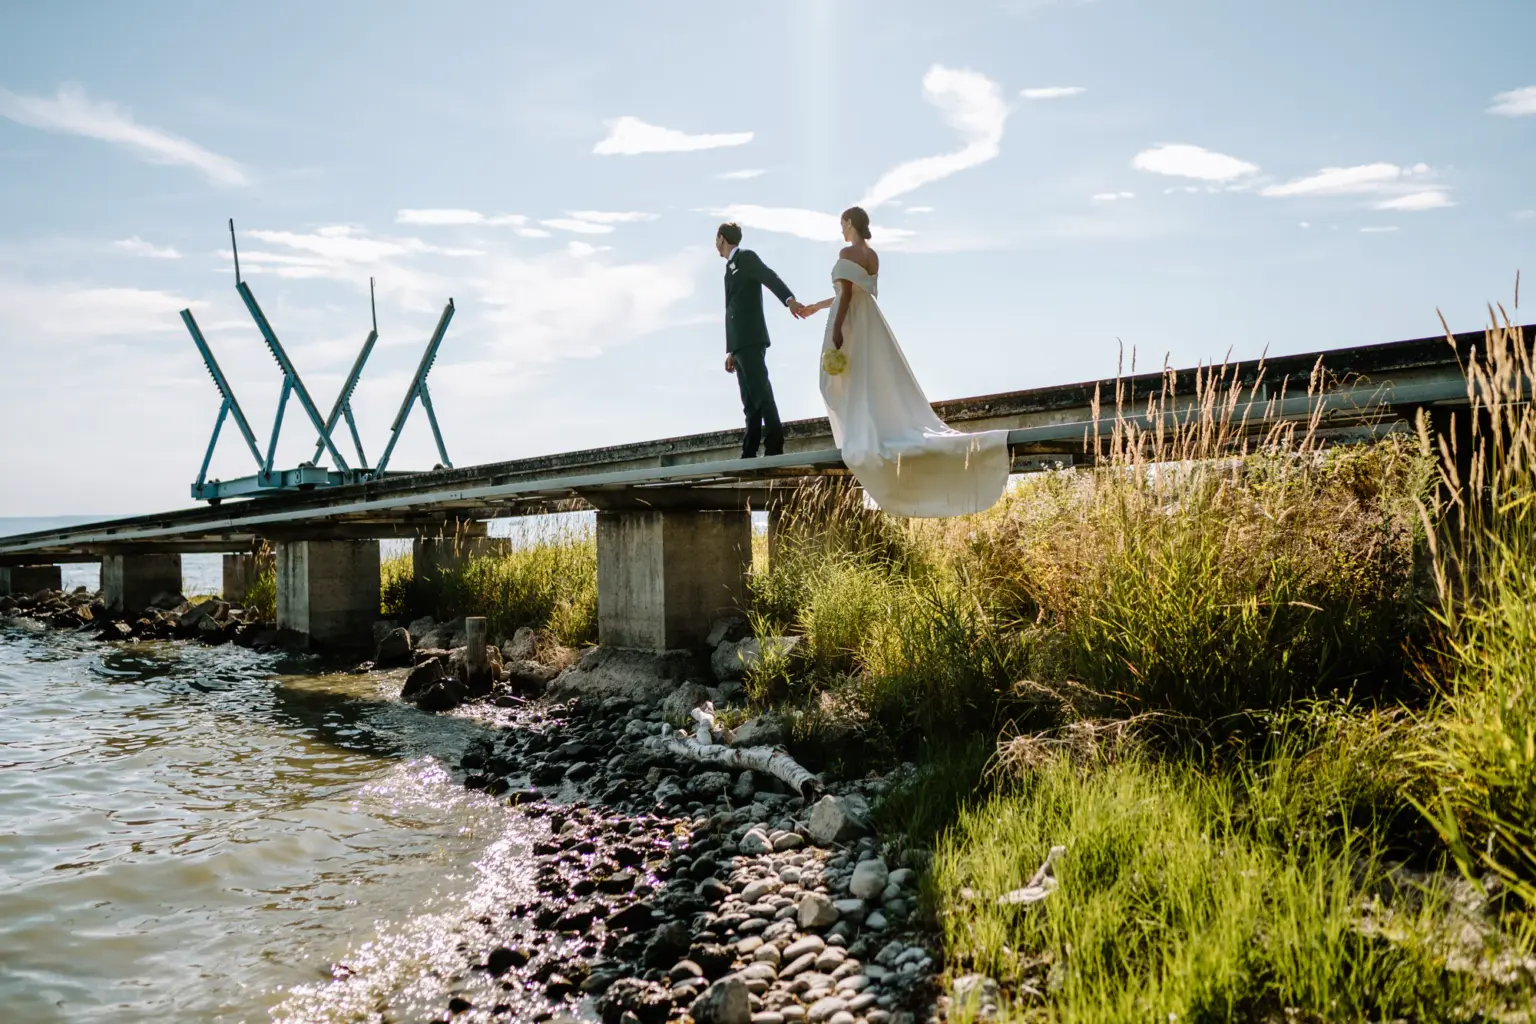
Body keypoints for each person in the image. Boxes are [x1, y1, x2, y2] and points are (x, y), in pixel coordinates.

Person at [795, 207, 1011, 517]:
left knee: (837, 379)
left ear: (850, 223)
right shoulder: (872, 256)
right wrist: (817, 306)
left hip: (852, 321)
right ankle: (870, 423)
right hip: (870, 321)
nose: (841, 229)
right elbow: (855, 291)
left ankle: (859, 429)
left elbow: (846, 295)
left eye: (842, 223)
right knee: (869, 376)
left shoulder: (847, 252)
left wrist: (838, 330)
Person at [717, 222, 804, 458]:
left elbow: (769, 276)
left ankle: (775, 445)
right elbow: (731, 308)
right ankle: (750, 449)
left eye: (716, 239)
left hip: (751, 337)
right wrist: (731, 349)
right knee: (749, 400)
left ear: (721, 238)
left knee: (761, 393)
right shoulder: (729, 268)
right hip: (739, 343)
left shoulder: (746, 258)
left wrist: (789, 300)